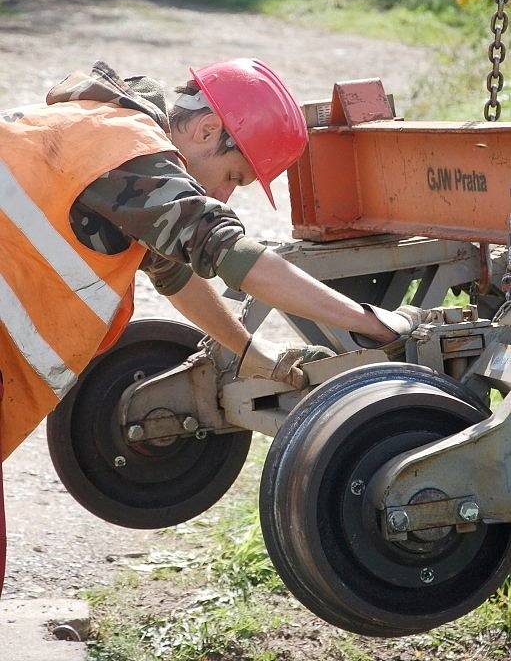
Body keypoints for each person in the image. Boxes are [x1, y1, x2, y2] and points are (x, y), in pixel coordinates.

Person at [0, 58, 422, 595]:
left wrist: (252, 354)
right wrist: (369, 323)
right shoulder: (124, 151)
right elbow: (227, 252)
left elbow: (175, 273)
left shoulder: (105, 147)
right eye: (234, 177)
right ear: (206, 130)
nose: (224, 196)